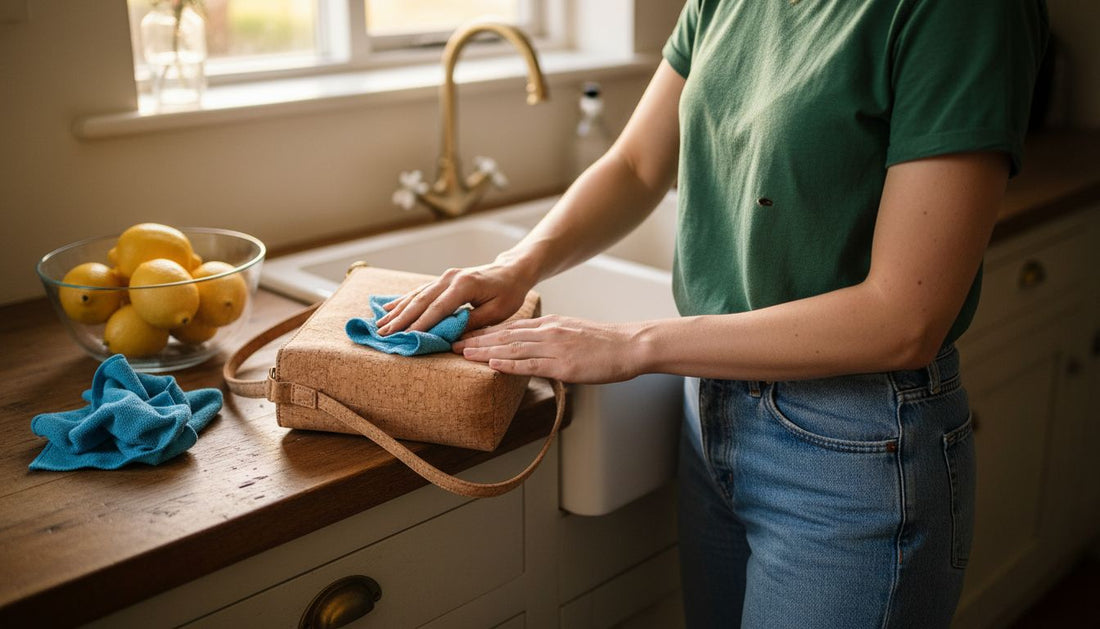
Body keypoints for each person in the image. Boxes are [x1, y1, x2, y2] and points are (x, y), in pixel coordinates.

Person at [377, 0, 1049, 626]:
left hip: (854, 448)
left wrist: (632, 343)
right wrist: (514, 266)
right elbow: (640, 164)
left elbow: (905, 317)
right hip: (713, 416)